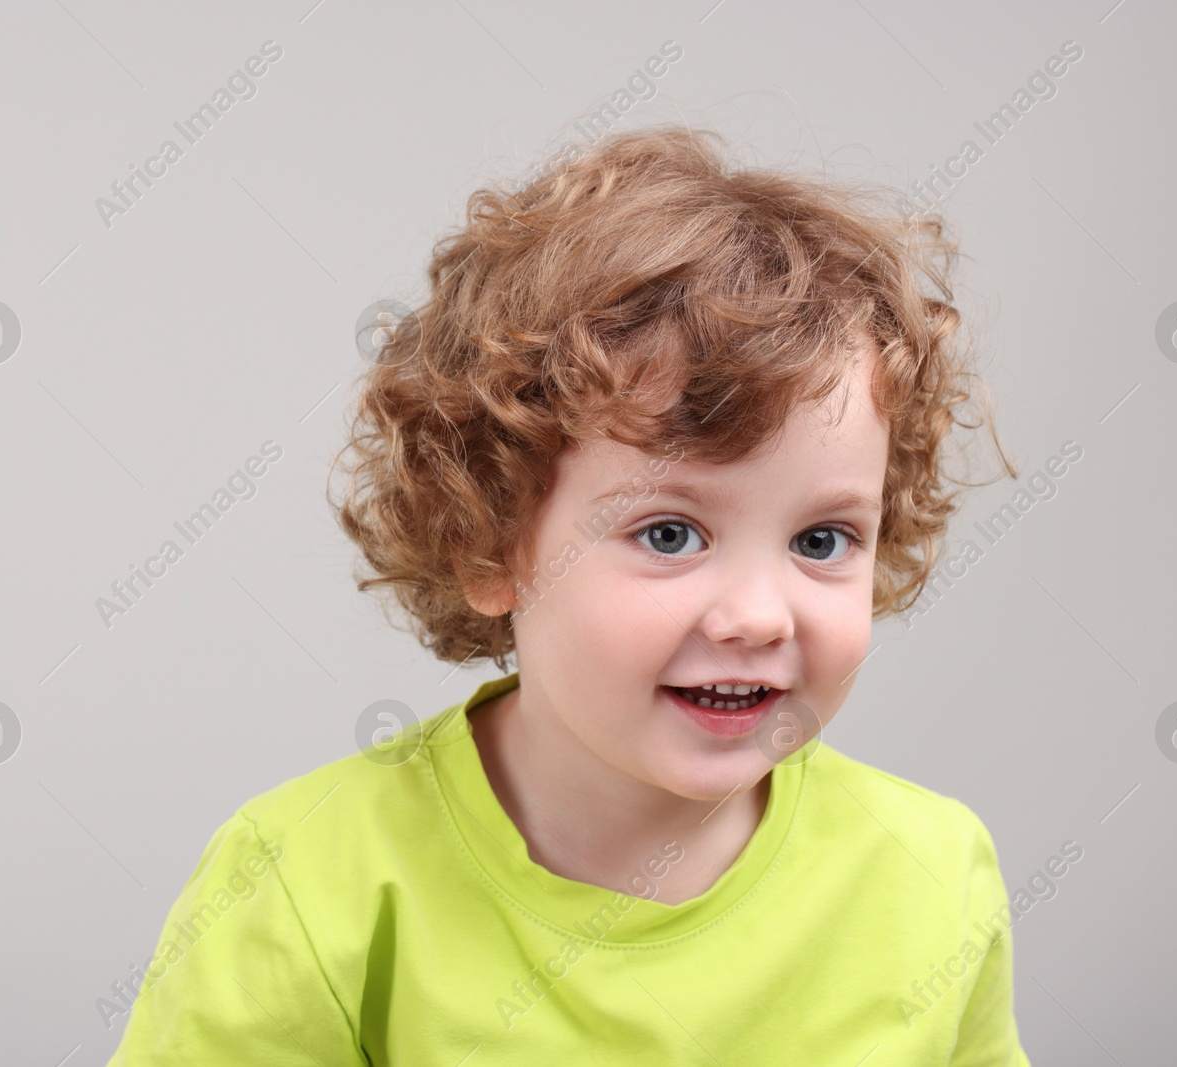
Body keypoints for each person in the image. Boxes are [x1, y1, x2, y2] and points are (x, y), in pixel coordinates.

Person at [105, 125, 1030, 1064]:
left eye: (822, 540)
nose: (758, 615)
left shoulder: (931, 872)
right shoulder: (303, 883)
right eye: (670, 534)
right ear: (491, 541)